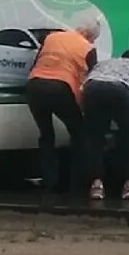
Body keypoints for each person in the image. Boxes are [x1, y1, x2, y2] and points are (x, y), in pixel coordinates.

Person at [25, 17, 101, 192]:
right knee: (79, 133)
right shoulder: (88, 48)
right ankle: (77, 181)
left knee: (46, 134)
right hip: (60, 88)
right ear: (90, 35)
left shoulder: (52, 37)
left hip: (34, 86)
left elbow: (37, 61)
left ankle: (49, 180)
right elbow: (93, 78)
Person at [81, 47, 129, 201]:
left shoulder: (103, 64)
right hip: (119, 91)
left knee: (95, 139)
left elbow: (82, 89)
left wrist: (87, 113)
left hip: (92, 89)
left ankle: (96, 185)